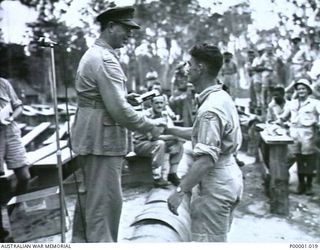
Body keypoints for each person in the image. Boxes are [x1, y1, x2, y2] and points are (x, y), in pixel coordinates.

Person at [70, 6, 165, 242]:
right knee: (105, 206)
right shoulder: (104, 59)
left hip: (91, 138)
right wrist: (150, 126)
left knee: (89, 204)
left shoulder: (95, 54)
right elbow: (120, 112)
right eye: (126, 29)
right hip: (102, 142)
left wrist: (124, 98)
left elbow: (103, 98)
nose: (129, 35)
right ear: (111, 26)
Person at [166, 44, 243, 242]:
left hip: (215, 184)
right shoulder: (221, 96)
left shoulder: (210, 109)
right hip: (229, 175)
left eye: (189, 64)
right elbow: (204, 134)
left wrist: (180, 191)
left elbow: (206, 160)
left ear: (200, 68)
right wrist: (169, 129)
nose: (186, 69)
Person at [277, 78, 320, 195]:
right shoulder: (292, 103)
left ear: (308, 90)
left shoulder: (315, 103)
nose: (301, 91)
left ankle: (309, 185)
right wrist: (277, 122)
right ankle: (301, 185)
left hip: (308, 134)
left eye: (303, 89)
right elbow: (283, 117)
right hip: (294, 134)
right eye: (299, 89)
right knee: (299, 160)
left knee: (309, 160)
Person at [0, 77, 30, 242]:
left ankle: (12, 215)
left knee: (24, 176)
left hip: (10, 131)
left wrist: (11, 118)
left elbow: (18, 107)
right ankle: (2, 233)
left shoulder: (3, 83)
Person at [134, 95, 183, 187]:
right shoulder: (146, 116)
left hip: (154, 142)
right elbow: (153, 138)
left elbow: (171, 130)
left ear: (164, 104)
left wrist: (177, 138)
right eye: (156, 103)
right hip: (141, 144)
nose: (159, 105)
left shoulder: (164, 115)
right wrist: (174, 137)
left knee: (179, 144)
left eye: (161, 103)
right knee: (160, 144)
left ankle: (172, 174)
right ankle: (157, 178)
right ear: (151, 104)